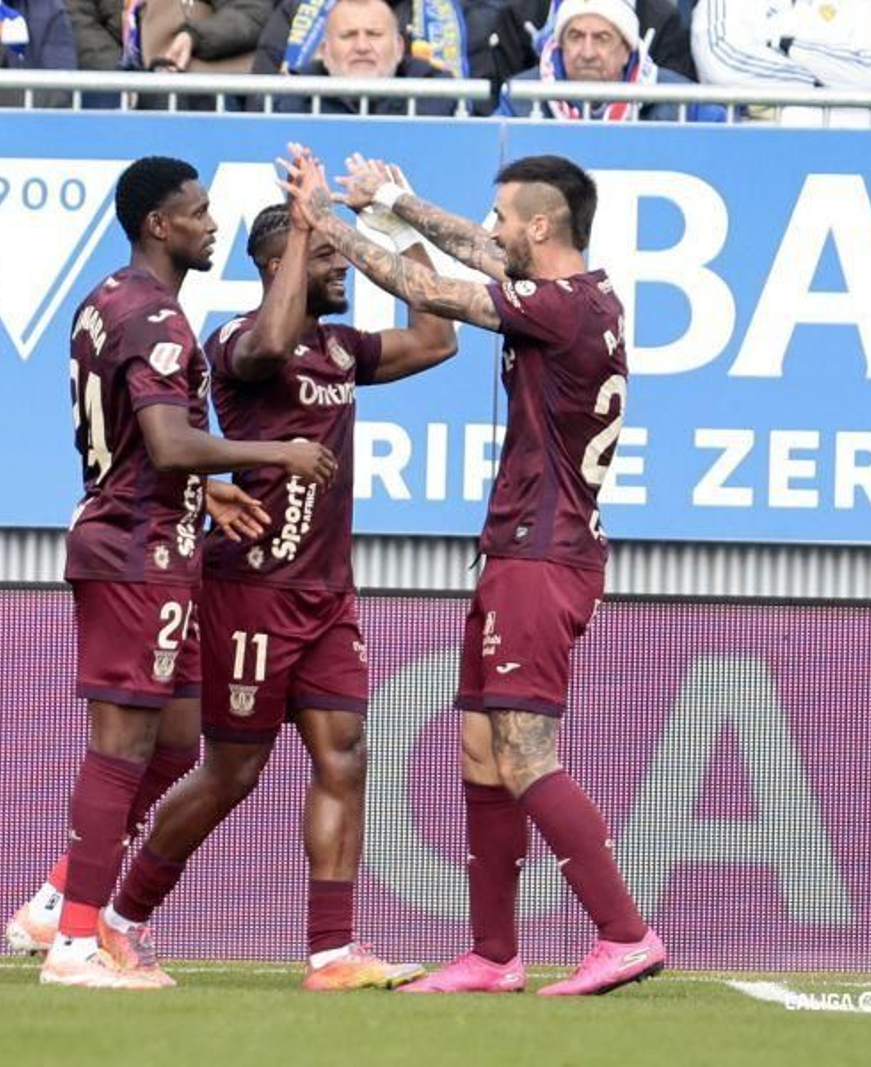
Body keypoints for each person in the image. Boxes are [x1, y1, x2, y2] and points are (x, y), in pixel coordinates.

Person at [280, 145, 665, 996]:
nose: (490, 230)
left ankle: (624, 932)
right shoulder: (580, 295)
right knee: (483, 750)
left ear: (541, 225)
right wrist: (396, 201)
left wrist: (329, 223)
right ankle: (493, 954)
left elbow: (427, 289)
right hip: (518, 547)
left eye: (503, 218)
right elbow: (475, 251)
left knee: (525, 753)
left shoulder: (556, 309)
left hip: (542, 554)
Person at [99, 190, 458, 991]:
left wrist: (397, 227)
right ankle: (119, 920)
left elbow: (438, 337)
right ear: (278, 263)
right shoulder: (236, 340)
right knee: (233, 771)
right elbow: (267, 342)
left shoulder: (342, 349)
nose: (344, 270)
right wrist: (303, 230)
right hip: (250, 591)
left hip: (327, 594)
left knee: (346, 754)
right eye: (330, 256)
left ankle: (331, 952)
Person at [33, 155, 339, 990]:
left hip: (155, 538)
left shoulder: (106, 299)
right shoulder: (157, 318)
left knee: (173, 742)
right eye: (199, 213)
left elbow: (143, 442)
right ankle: (74, 944)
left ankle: (58, 898)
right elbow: (168, 443)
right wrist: (275, 451)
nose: (212, 226)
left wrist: (210, 489)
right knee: (121, 748)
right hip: (137, 549)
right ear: (159, 225)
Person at [691, 0, 871, 125]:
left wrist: (787, 46)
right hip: (761, 146)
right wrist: (824, 85)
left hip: (860, 146)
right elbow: (723, 61)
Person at [502, 0, 697, 121]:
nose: (588, 53)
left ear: (626, 50)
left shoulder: (681, 100)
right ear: (560, 45)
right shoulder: (519, 98)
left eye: (602, 38)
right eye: (576, 37)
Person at [262, 0, 458, 116]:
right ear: (325, 51)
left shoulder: (434, 90)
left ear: (399, 48)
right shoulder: (292, 95)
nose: (362, 47)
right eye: (348, 35)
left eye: (374, 34)